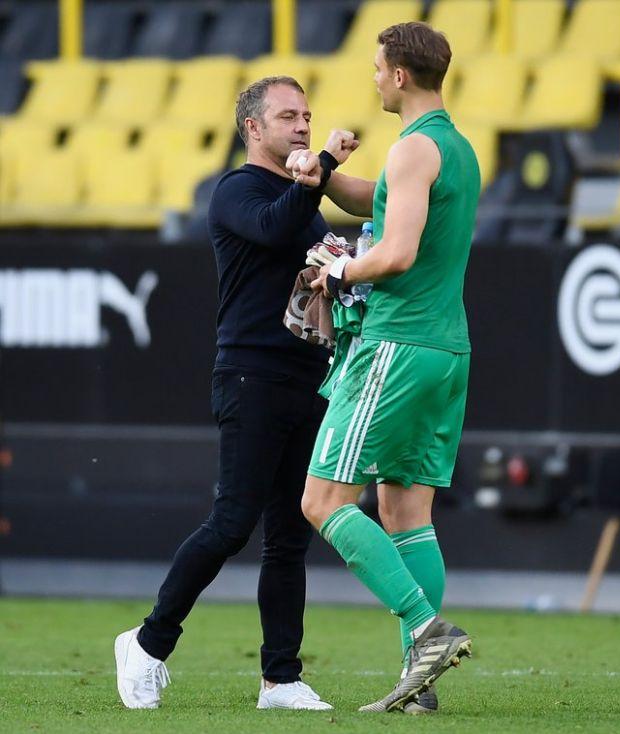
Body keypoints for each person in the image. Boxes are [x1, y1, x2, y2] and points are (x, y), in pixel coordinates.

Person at [114, 76, 356, 711]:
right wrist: (324, 166)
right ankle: (146, 643)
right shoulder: (237, 189)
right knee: (231, 521)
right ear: (254, 128)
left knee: (288, 536)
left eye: (307, 116)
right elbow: (276, 231)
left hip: (309, 375)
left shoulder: (304, 197)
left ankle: (280, 678)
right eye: (288, 117)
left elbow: (316, 253)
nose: (303, 126)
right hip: (251, 373)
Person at [290, 22, 481, 713]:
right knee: (406, 509)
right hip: (446, 351)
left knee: (321, 501)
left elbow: (394, 252)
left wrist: (340, 268)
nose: (373, 78)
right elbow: (382, 199)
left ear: (400, 76)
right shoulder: (453, 149)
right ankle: (421, 685)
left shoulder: (412, 150)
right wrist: (327, 175)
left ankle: (425, 629)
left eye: (377, 68)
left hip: (396, 346)